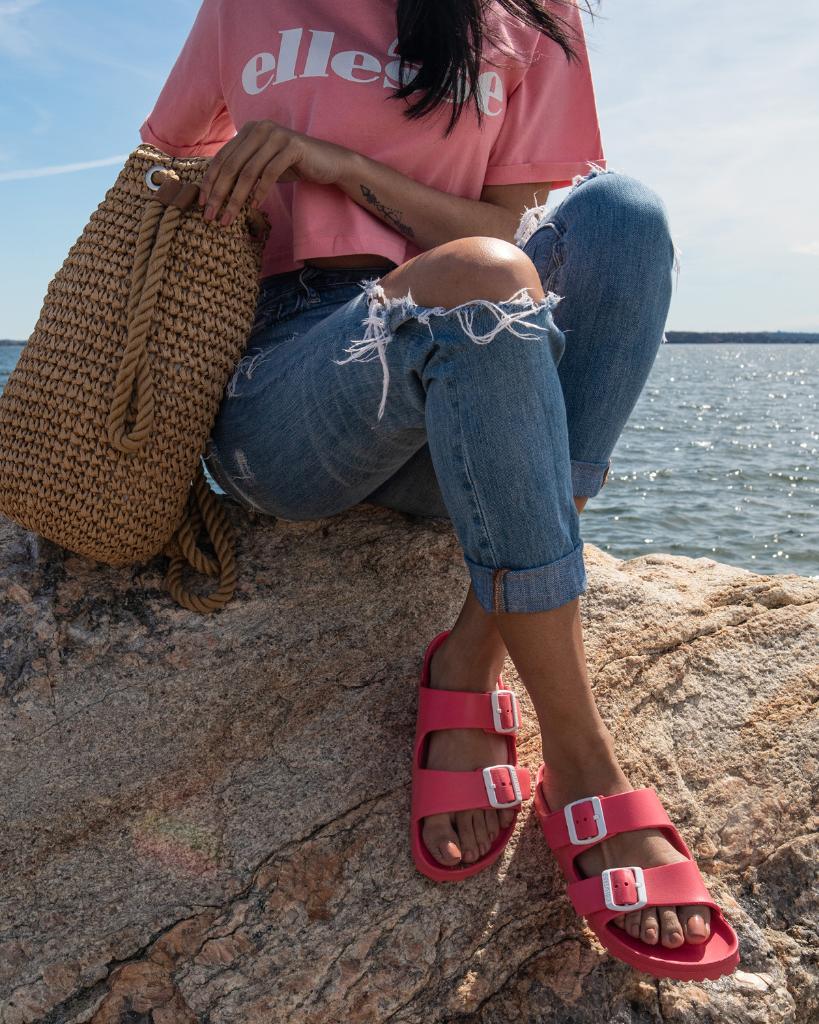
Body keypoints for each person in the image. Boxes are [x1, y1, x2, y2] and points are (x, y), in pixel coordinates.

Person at [139, 0, 739, 981]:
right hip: (290, 381)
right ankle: (584, 758)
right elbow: (161, 158)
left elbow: (500, 235)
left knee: (620, 218)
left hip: (472, 360)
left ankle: (470, 660)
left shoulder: (529, 17)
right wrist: (228, 184)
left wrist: (343, 169)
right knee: (482, 279)